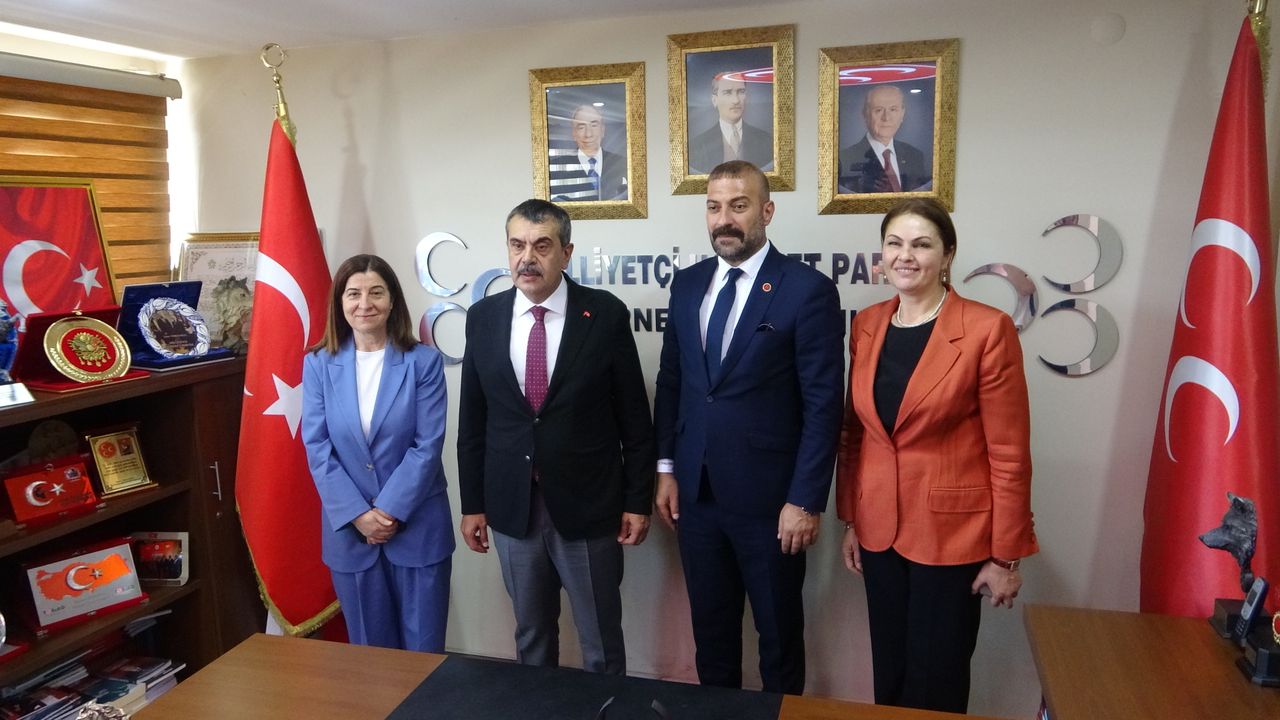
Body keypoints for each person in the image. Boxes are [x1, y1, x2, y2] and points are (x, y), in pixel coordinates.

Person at [836, 197, 1038, 713]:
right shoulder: (867, 325)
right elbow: (855, 432)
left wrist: (1004, 556)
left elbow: (1010, 454)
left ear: (947, 255)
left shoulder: (987, 329)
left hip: (953, 538)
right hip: (879, 532)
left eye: (922, 245)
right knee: (891, 674)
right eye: (895, 243)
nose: (905, 256)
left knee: (936, 684)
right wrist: (852, 518)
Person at [653, 160, 844, 694]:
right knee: (711, 637)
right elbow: (673, 382)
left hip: (771, 504)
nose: (724, 220)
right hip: (697, 496)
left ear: (766, 211)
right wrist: (666, 468)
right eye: (714, 207)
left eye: (738, 206)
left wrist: (805, 500)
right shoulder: (688, 285)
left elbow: (823, 405)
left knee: (778, 640)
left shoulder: (806, 290)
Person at [458, 198, 655, 674]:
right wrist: (472, 504)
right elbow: (473, 422)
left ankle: (607, 707)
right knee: (531, 635)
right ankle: (536, 707)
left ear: (566, 253)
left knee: (600, 640)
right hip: (514, 508)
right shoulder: (483, 317)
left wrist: (637, 501)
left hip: (589, 506)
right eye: (517, 245)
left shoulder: (604, 314)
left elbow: (634, 418)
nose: (527, 258)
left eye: (542, 246)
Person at [301, 254, 454, 651]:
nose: (364, 304)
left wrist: (386, 513)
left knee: (423, 653)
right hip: (350, 533)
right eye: (353, 294)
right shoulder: (318, 365)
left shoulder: (423, 362)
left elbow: (427, 444)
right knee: (370, 657)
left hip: (418, 526)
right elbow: (317, 446)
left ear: (392, 300)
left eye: (376, 292)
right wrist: (359, 515)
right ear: (340, 302)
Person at [838, 85, 931, 194]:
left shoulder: (915, 156)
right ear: (865, 115)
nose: (886, 118)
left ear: (902, 114)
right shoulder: (845, 158)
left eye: (893, 109)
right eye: (878, 110)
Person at [688, 74, 774, 175]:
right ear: (714, 100)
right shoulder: (698, 146)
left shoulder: (766, 141)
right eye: (727, 93)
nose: (736, 100)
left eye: (741, 91)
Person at [549, 104, 627, 202]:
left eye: (594, 125)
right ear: (574, 133)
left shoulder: (623, 163)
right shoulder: (554, 167)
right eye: (581, 127)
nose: (588, 134)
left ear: (602, 130)